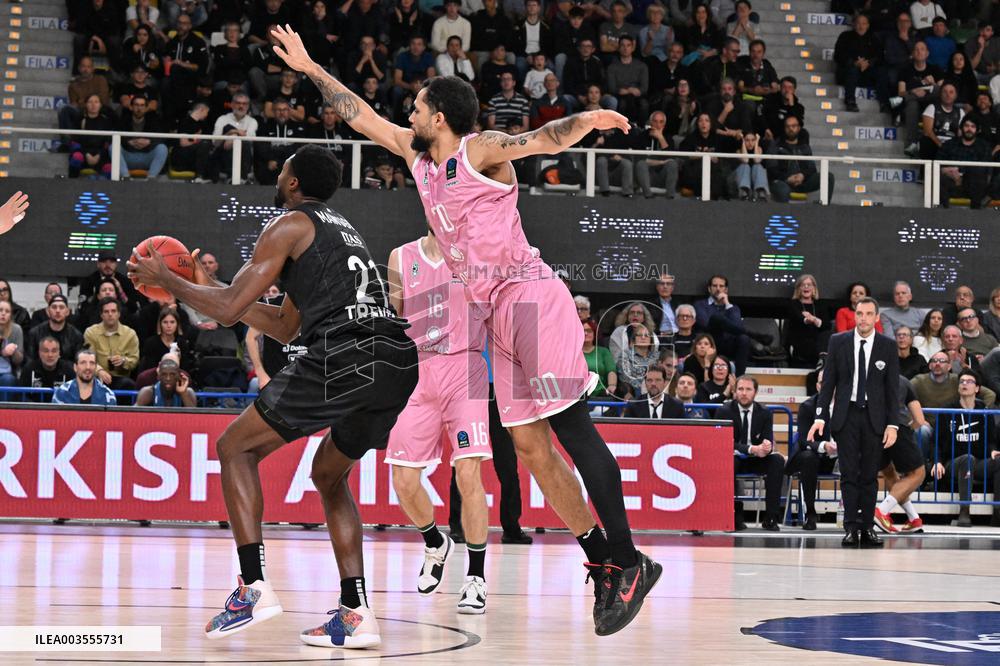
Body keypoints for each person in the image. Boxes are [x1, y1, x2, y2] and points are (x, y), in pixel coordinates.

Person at [269, 26, 660, 636]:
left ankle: (630, 561)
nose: (409, 113)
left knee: (572, 430)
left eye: (418, 106)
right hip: (492, 318)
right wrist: (311, 67)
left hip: (529, 298)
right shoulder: (417, 158)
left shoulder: (479, 152)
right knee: (529, 449)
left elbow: (543, 138)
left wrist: (592, 117)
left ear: (442, 116)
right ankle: (601, 559)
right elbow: (359, 114)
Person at [128, 144, 418, 647]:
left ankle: (253, 587)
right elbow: (284, 325)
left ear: (293, 182)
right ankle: (356, 611)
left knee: (234, 448)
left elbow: (224, 311)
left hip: (347, 354)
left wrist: (168, 280)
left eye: (282, 168)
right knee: (329, 474)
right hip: (395, 360)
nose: (278, 174)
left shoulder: (288, 224)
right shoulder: (337, 230)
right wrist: (211, 283)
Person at [384, 229, 492, 615]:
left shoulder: (479, 255)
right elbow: (391, 318)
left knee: (468, 474)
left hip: (466, 367)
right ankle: (435, 542)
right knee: (403, 478)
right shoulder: (401, 255)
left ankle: (475, 577)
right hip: (417, 370)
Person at [807, 297, 900, 548]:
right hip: (846, 415)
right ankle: (850, 527)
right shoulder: (838, 341)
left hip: (874, 417)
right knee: (848, 474)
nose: (864, 318)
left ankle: (868, 527)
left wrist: (893, 424)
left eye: (869, 314)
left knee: (870, 475)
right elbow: (829, 385)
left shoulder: (887, 346)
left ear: (877, 317)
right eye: (860, 313)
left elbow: (892, 390)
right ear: (855, 315)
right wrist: (819, 416)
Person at [719, 376, 785, 531]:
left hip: (756, 458)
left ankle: (771, 517)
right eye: (740, 389)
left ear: (755, 392)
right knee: (729, 462)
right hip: (734, 456)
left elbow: (767, 438)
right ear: (734, 391)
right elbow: (724, 442)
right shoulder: (724, 411)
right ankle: (734, 516)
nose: (744, 393)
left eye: (748, 389)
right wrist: (751, 448)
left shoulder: (765, 413)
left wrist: (766, 446)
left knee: (777, 461)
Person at [873, 375, 928, 533]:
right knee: (918, 473)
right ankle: (882, 511)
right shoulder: (903, 381)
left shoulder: (869, 377)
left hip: (874, 430)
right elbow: (919, 419)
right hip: (898, 427)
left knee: (889, 472)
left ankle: (913, 518)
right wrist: (909, 428)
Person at [947, 369, 1000, 527]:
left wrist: (992, 451)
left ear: (977, 388)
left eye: (969, 381)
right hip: (953, 463)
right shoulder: (948, 409)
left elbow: (991, 438)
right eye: (962, 381)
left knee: (999, 461)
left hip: (977, 462)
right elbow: (939, 441)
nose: (964, 384)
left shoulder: (984, 411)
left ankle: (997, 514)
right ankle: (964, 511)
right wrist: (937, 461)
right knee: (966, 459)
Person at [787, 369, 838, 530]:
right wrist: (824, 446)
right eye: (824, 382)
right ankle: (810, 512)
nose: (828, 385)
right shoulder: (808, 407)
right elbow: (803, 440)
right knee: (809, 457)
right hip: (814, 456)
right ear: (817, 386)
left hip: (840, 457)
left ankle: (856, 514)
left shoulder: (848, 406)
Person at [694, 274, 770, 376]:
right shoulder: (700, 304)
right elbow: (705, 323)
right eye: (715, 286)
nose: (718, 289)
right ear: (709, 289)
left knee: (744, 338)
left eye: (721, 286)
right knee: (716, 318)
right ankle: (754, 335)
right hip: (711, 343)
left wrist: (727, 304)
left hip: (729, 344)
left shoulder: (733, 308)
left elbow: (738, 326)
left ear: (726, 290)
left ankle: (739, 378)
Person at [767, 115, 833, 203]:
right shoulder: (775, 146)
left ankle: (824, 207)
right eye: (788, 126)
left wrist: (802, 175)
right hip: (783, 182)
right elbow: (771, 170)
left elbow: (812, 169)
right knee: (783, 189)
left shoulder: (804, 146)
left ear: (798, 128)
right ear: (784, 128)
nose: (791, 129)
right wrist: (787, 178)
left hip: (802, 182)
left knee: (828, 177)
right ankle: (785, 214)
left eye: (793, 126)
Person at [832, 13, 889, 113]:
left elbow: (880, 56)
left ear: (868, 25)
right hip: (847, 73)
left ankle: (884, 103)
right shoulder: (845, 36)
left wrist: (868, 63)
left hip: (866, 74)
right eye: (858, 23)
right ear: (854, 24)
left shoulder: (873, 38)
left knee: (882, 71)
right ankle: (850, 101)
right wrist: (854, 63)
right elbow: (838, 55)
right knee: (852, 70)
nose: (861, 26)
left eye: (864, 23)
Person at [82, 297, 140, 392]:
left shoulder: (130, 334)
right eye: (106, 312)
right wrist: (99, 371)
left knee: (128, 385)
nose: (110, 314)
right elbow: (88, 358)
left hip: (121, 378)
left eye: (113, 311)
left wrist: (123, 361)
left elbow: (135, 360)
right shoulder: (91, 332)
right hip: (96, 377)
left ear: (119, 314)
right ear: (101, 315)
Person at [937, 116, 992, 208]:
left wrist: (962, 177)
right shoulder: (949, 144)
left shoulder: (984, 146)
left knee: (977, 174)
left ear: (978, 130)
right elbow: (937, 164)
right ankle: (944, 215)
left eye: (973, 126)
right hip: (951, 183)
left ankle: (975, 215)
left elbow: (987, 170)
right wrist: (947, 170)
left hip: (974, 186)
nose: (969, 129)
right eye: (966, 126)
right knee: (938, 179)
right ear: (961, 128)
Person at [785, 274, 829, 369]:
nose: (806, 287)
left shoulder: (820, 305)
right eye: (803, 285)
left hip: (816, 344)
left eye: (809, 284)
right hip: (799, 342)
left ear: (814, 288)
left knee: (825, 335)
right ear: (799, 288)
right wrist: (808, 320)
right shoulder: (793, 304)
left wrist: (814, 320)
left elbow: (826, 325)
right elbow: (798, 318)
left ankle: (821, 362)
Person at [24, 294, 83, 365]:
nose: (58, 310)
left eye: (61, 307)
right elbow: (30, 362)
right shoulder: (35, 333)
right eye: (54, 307)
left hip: (68, 374)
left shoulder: (76, 336)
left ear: (67, 312)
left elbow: (77, 364)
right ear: (48, 312)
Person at [52, 349, 117, 406]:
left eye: (92, 363)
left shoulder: (107, 395)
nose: (88, 367)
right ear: (75, 367)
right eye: (83, 363)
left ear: (95, 367)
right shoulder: (62, 392)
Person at [583, 320, 618, 398]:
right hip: (579, 395)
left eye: (589, 331)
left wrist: (611, 386)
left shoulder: (603, 351)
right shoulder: (574, 353)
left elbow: (611, 371)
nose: (585, 333)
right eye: (583, 331)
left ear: (595, 333)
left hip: (601, 393)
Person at [0, 300, 24, 388]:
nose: (3, 313)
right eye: (0, 310)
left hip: (8, 372)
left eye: (7, 311)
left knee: (8, 380)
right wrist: (3, 352)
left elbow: (19, 360)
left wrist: (14, 351)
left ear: (10, 315)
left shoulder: (16, 329)